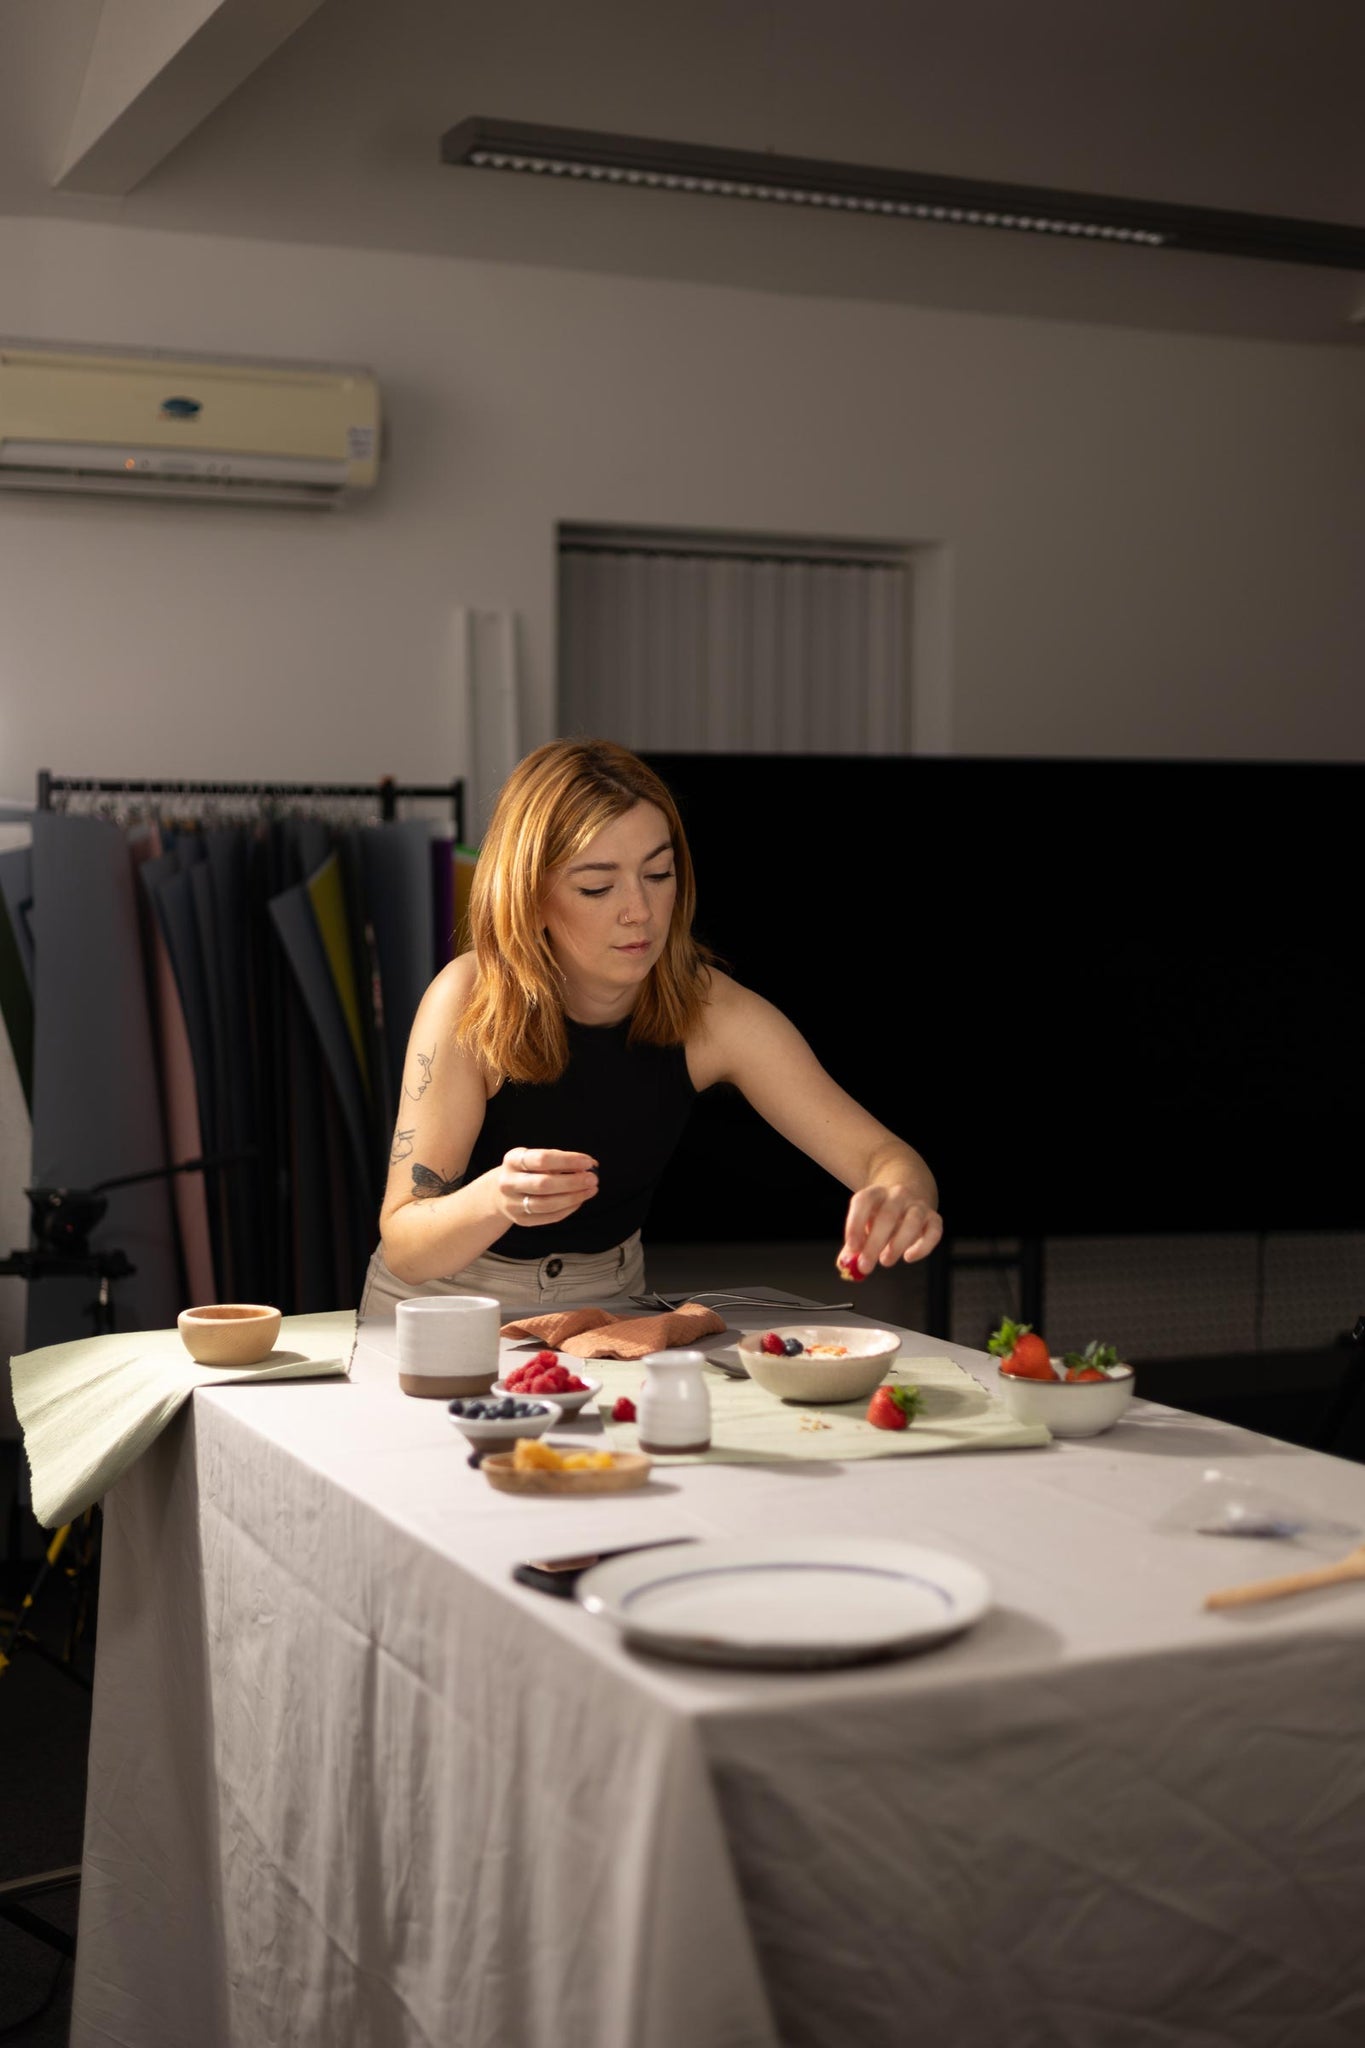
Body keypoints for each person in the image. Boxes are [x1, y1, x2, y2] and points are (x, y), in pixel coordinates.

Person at [360, 739, 941, 1317]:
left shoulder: (712, 1011)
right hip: (437, 1307)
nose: (639, 909)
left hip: (606, 1303)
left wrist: (901, 1195)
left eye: (658, 874)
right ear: (530, 896)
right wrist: (495, 1198)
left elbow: (884, 1157)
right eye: (598, 885)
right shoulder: (467, 998)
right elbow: (406, 1245)